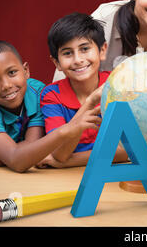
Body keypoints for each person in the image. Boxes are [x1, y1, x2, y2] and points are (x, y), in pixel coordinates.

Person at [0, 40, 101, 172]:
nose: (6, 85)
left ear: (26, 71)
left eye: (12, 73)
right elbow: (18, 161)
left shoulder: (37, 92)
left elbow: (30, 149)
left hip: (12, 170)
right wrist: (64, 131)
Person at [38, 12, 128, 168]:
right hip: (62, 181)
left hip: (113, 175)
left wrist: (68, 162)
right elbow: (60, 153)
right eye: (67, 53)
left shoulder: (118, 83)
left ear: (102, 50)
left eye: (85, 49)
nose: (78, 60)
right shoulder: (52, 95)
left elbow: (127, 150)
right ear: (56, 62)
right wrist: (90, 102)